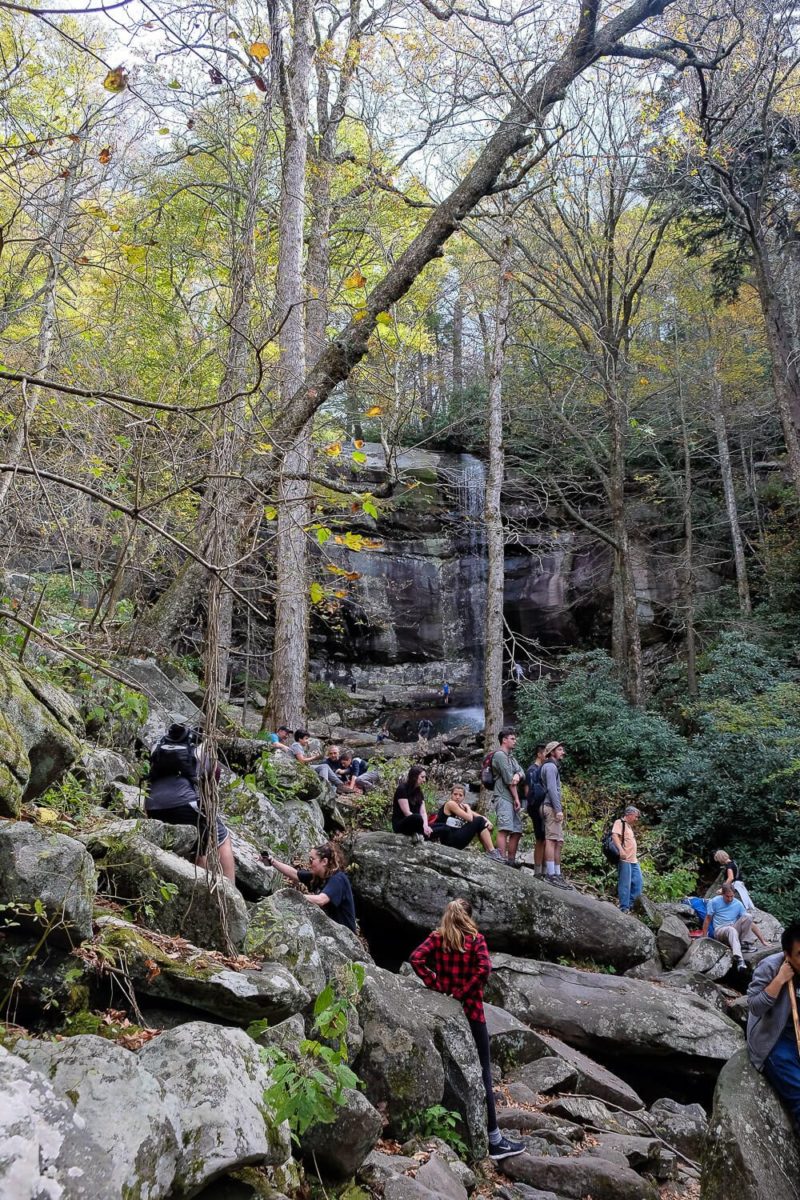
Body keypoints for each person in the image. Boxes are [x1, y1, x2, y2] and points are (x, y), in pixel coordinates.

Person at [410, 899, 524, 1162]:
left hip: (445, 1005)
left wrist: (436, 983)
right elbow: (484, 970)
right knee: (483, 1072)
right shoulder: (476, 941)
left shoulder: (438, 938)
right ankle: (494, 1139)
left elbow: (416, 958)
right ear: (469, 917)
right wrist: (463, 992)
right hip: (472, 1012)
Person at [145, 723, 236, 884]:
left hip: (152, 805)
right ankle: (229, 892)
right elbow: (212, 782)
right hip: (184, 803)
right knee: (217, 838)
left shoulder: (159, 747)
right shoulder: (200, 753)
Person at [747, 920, 800, 1132]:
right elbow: (754, 1006)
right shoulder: (770, 967)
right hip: (774, 1038)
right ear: (787, 955)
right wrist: (779, 980)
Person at [262, 842, 357, 932]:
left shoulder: (338, 879)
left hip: (346, 938)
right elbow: (294, 873)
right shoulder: (320, 876)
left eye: (311, 860)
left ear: (324, 861)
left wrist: (293, 896)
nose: (308, 863)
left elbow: (321, 900)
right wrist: (272, 861)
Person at [703, 882, 768, 970]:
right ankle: (740, 960)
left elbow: (750, 923)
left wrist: (763, 941)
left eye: (732, 896)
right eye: (727, 896)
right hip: (720, 930)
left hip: (733, 928)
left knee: (748, 916)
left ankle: (745, 944)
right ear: (722, 894)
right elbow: (707, 919)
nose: (730, 899)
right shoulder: (714, 901)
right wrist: (704, 937)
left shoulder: (738, 904)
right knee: (731, 929)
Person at [429, 783, 504, 860]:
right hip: (449, 839)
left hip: (458, 838)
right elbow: (470, 818)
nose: (457, 797)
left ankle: (490, 852)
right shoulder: (450, 804)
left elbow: (479, 816)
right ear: (451, 795)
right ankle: (492, 852)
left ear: (464, 797)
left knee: (481, 822)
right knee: (479, 821)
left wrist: (488, 822)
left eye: (460, 795)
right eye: (455, 794)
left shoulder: (461, 807)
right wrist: (468, 807)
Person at [491, 727, 525, 867]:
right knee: (504, 828)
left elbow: (521, 771)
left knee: (517, 830)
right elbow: (508, 780)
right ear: (504, 740)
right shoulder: (499, 755)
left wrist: (518, 775)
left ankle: (511, 861)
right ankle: (501, 860)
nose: (515, 741)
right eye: (512, 738)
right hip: (503, 796)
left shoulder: (510, 757)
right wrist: (517, 799)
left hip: (511, 798)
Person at [540, 741, 571, 888]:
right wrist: (558, 809)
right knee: (552, 840)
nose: (562, 752)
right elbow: (552, 789)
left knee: (558, 841)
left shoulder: (550, 766)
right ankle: (551, 875)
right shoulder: (550, 767)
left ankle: (557, 874)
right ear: (552, 752)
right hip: (550, 807)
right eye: (559, 749)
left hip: (550, 806)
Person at [612, 806, 642, 913]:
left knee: (638, 883)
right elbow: (615, 836)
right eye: (636, 817)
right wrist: (621, 850)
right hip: (625, 859)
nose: (636, 819)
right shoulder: (619, 822)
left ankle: (632, 905)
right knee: (625, 884)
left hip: (633, 860)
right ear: (629, 814)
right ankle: (624, 907)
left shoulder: (628, 826)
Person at [525, 744, 547, 877]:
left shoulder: (542, 769)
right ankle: (538, 871)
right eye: (545, 753)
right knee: (540, 838)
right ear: (539, 754)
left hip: (542, 807)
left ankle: (544, 869)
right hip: (536, 807)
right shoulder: (532, 770)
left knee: (545, 839)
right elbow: (528, 791)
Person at [392, 765, 431, 837]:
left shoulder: (419, 791)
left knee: (443, 827)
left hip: (417, 823)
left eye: (425, 777)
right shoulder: (402, 789)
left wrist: (426, 826)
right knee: (417, 817)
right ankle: (422, 834)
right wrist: (422, 826)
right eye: (422, 777)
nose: (424, 780)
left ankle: (424, 833)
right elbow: (407, 812)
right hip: (402, 823)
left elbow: (423, 812)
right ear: (414, 777)